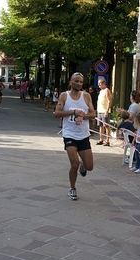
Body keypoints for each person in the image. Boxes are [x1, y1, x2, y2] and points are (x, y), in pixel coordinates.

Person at [54, 72, 95, 200]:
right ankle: (72, 188)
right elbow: (57, 113)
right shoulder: (64, 96)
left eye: (81, 82)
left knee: (90, 166)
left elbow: (93, 114)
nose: (78, 84)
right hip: (69, 134)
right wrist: (73, 112)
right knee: (74, 164)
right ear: (70, 82)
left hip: (83, 135)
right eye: (76, 81)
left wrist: (83, 116)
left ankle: (84, 164)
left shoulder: (86, 96)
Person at [96, 78, 112, 146]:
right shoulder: (101, 91)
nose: (98, 85)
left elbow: (109, 101)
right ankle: (101, 139)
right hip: (100, 110)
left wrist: (107, 111)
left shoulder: (106, 90)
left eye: (100, 84)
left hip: (104, 110)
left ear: (103, 83)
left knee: (106, 126)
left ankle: (107, 140)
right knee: (101, 126)